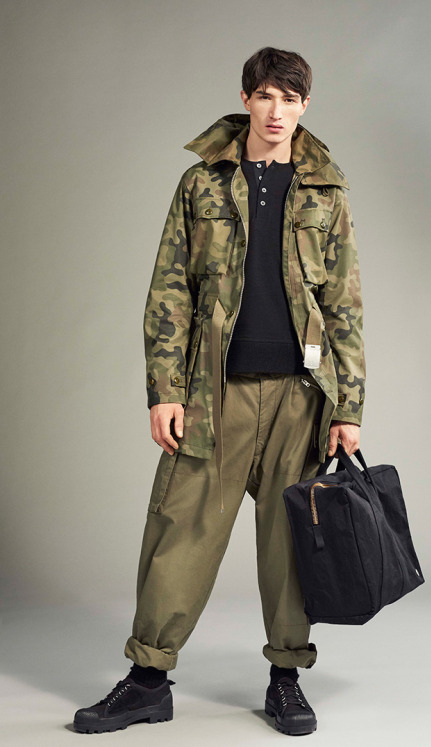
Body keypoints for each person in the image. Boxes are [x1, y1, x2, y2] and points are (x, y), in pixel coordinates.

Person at [73, 46, 366, 737]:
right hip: (214, 391)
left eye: (289, 99)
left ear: (305, 105)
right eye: (265, 96)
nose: (277, 111)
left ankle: (286, 679)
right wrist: (164, 389)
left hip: (301, 395)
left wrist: (348, 407)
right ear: (246, 98)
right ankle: (148, 681)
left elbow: (345, 304)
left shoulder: (327, 191)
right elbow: (170, 289)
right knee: (180, 530)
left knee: (291, 544)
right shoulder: (201, 182)